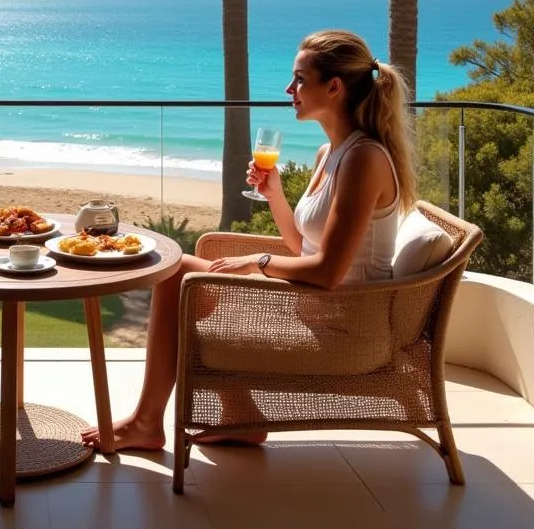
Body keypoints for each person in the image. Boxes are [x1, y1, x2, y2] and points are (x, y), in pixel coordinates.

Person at [80, 29, 417, 452]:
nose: (289, 89)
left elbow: (328, 271)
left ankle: (150, 422)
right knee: (177, 273)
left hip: (345, 328)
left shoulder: (364, 159)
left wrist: (256, 260)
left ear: (333, 87)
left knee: (175, 275)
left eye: (299, 79)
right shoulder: (330, 153)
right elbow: (302, 249)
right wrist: (275, 195)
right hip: (311, 305)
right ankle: (237, 414)